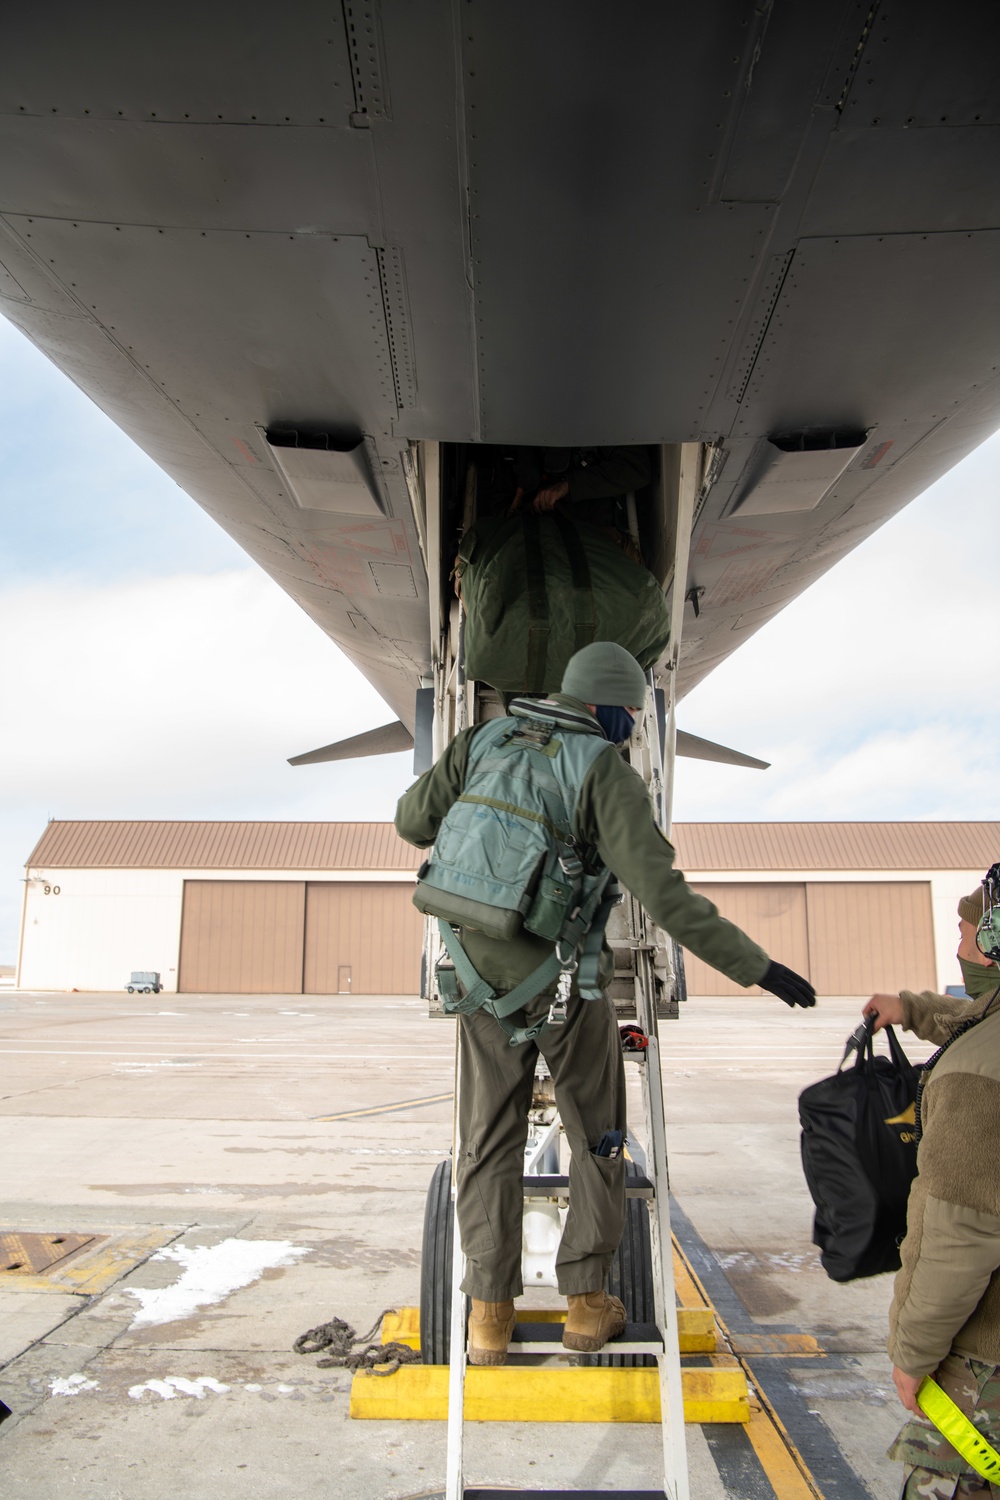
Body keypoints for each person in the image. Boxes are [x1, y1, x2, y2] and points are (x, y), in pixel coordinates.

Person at [395, 641, 816, 1366]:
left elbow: (412, 821)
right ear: (611, 709)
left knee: (485, 1143)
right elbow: (667, 897)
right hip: (560, 986)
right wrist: (758, 967)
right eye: (627, 714)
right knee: (599, 1135)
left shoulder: (484, 738)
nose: (628, 726)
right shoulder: (604, 771)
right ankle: (587, 1306)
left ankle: (489, 1317)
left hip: (472, 976)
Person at [864, 880, 1000, 1500]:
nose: (960, 944)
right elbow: (978, 1014)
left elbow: (958, 1236)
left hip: (985, 1372)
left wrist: (912, 1355)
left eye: (969, 930)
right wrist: (913, 1010)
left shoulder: (977, 1076)